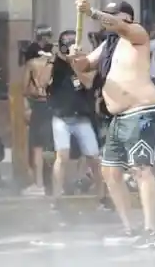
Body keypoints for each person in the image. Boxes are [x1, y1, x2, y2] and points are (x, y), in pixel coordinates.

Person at [68, 0, 155, 247]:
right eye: (106, 15)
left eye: (113, 15)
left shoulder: (137, 33)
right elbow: (84, 66)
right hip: (118, 116)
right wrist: (74, 58)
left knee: (140, 168)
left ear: (127, 17)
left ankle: (151, 231)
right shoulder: (108, 44)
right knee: (110, 171)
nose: (107, 19)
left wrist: (91, 12)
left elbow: (117, 25)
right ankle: (129, 228)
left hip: (141, 110)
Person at [45, 29, 105, 208]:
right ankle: (57, 196)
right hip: (61, 117)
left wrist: (75, 63)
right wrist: (51, 60)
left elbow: (88, 82)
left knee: (93, 158)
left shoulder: (85, 62)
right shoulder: (55, 63)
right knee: (61, 156)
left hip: (82, 118)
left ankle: (101, 195)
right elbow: (42, 82)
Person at [21, 25, 54, 196]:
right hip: (54, 106)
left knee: (37, 147)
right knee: (55, 146)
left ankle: (39, 184)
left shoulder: (32, 64)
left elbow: (24, 89)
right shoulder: (56, 62)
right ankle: (57, 185)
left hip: (39, 106)